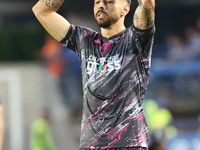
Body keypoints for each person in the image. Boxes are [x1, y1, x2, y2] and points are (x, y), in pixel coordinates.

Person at [32, 0, 156, 149]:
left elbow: (147, 5)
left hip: (129, 144)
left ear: (126, 9)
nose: (101, 5)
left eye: (109, 1)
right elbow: (41, 11)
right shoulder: (85, 40)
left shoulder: (136, 39)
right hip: (92, 145)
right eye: (97, 2)